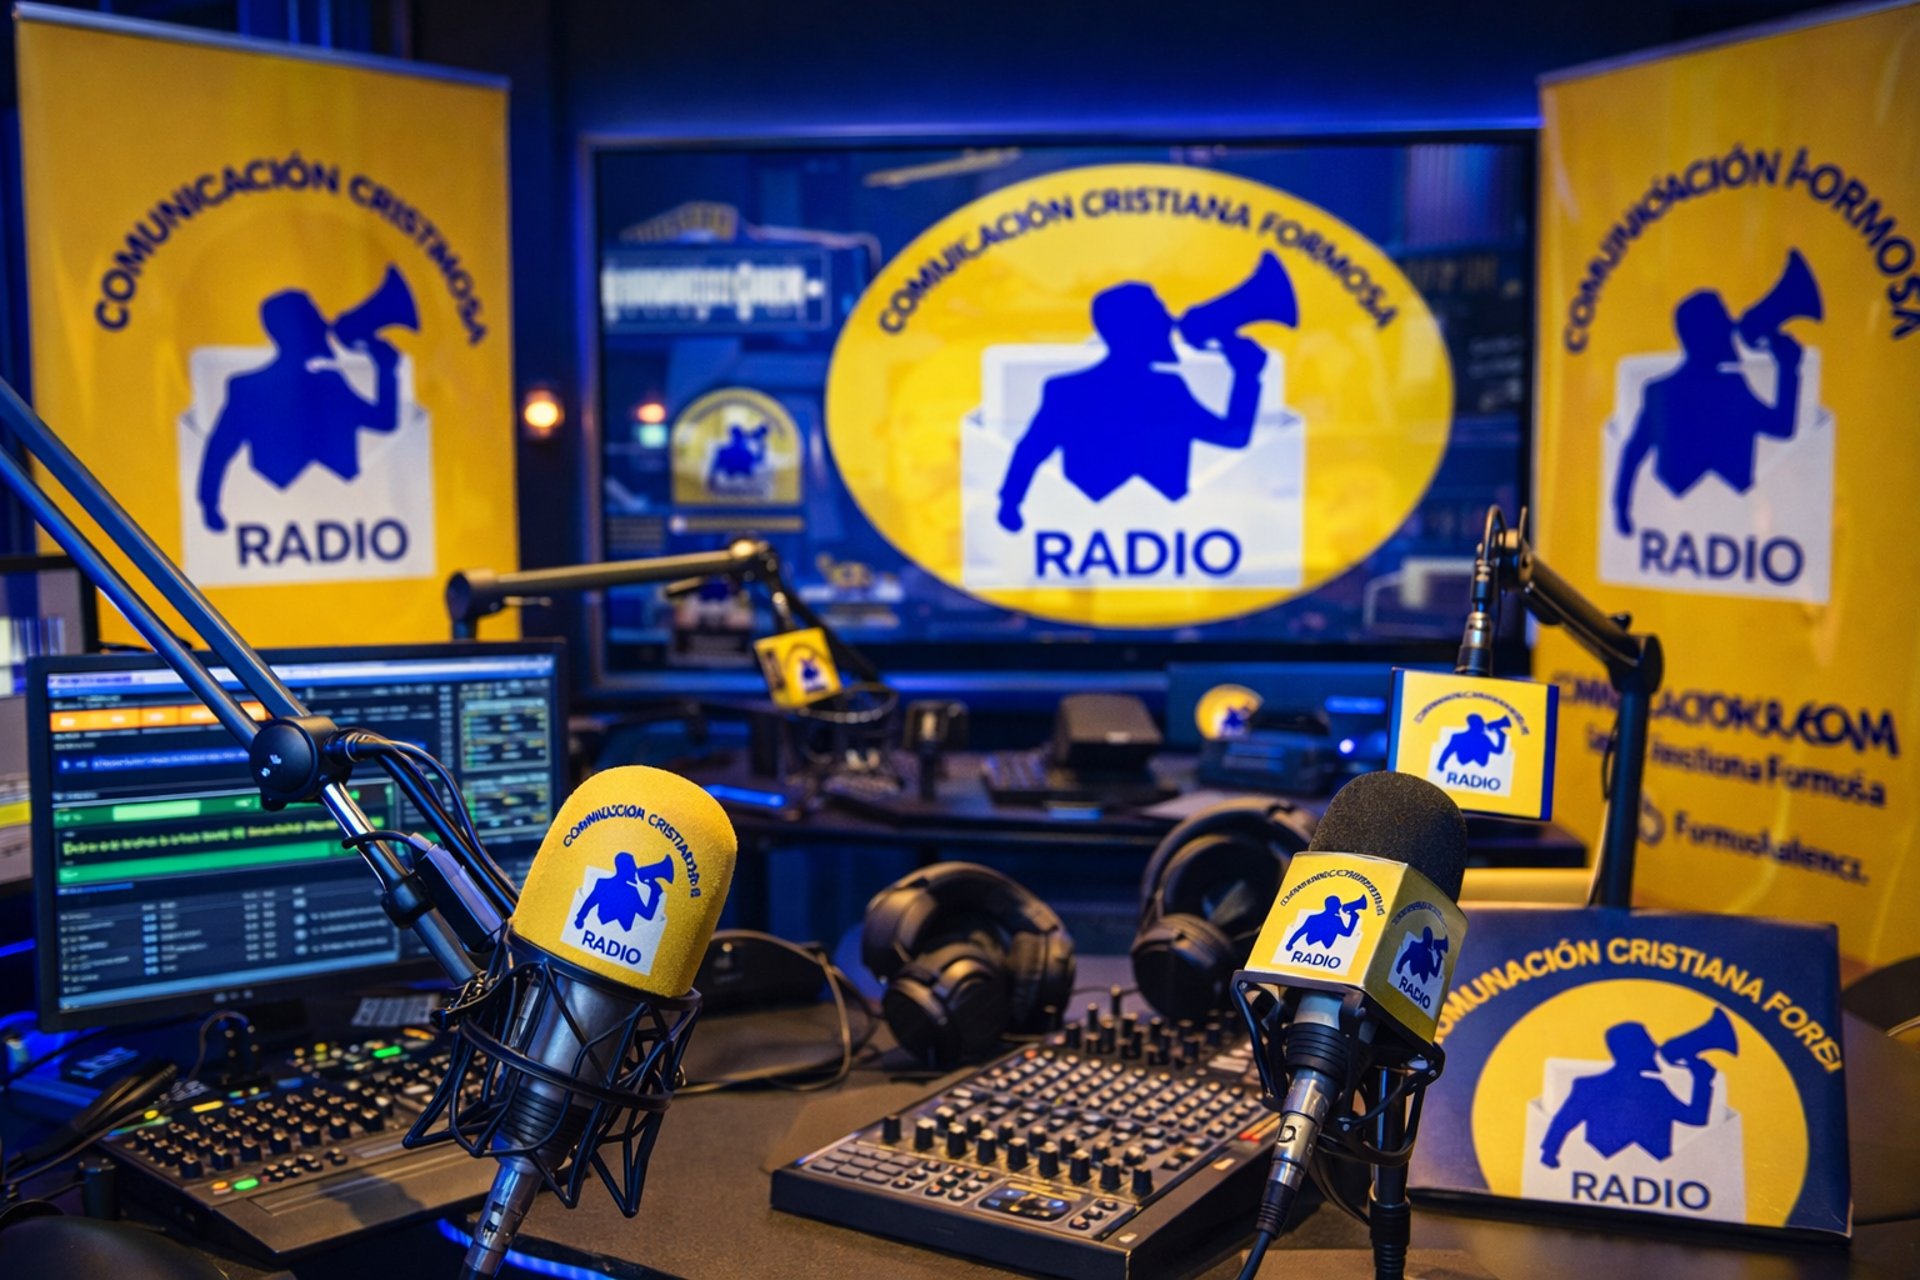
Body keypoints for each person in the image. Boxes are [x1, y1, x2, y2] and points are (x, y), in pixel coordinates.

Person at [997, 280, 1265, 533]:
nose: (1170, 323)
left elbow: (1029, 451)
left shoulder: (1068, 391)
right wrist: (1246, 377)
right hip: (1142, 531)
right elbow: (1233, 436)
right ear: (1138, 330)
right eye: (1160, 315)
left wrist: (1010, 504)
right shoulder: (1167, 390)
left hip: (1135, 532)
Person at [197, 289, 401, 534]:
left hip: (346, 511)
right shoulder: (248, 389)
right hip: (274, 516)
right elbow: (219, 449)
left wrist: (386, 371)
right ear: (295, 331)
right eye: (315, 318)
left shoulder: (331, 382)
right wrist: (209, 503)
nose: (325, 325)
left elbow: (385, 421)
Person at [1612, 289, 1802, 537]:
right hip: (1705, 524)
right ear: (1705, 335)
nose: (1731, 328)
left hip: (1723, 526)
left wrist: (1621, 508)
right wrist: (1787, 368)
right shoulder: (1729, 390)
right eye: (1724, 321)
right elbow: (1782, 426)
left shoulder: (1663, 391)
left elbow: (1632, 452)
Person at [1539, 1021, 1715, 1167]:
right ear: (1632, 1050)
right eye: (1648, 1043)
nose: (1654, 1047)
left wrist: (1702, 1081)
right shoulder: (1592, 1087)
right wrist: (1702, 1082)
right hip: (1606, 1170)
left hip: (1653, 1172)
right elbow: (1563, 1122)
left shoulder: (1653, 1088)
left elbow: (1696, 1118)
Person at [574, 851, 676, 934]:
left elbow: (589, 903)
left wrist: (580, 918)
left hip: (619, 937)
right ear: (624, 869)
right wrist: (654, 893)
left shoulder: (604, 884)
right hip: (611, 934)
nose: (635, 870)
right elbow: (648, 914)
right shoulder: (630, 892)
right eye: (633, 867)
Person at [1286, 894, 1365, 951]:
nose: (1340, 906)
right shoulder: (1335, 920)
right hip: (1312, 948)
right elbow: (1347, 933)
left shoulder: (1313, 918)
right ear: (1334, 906)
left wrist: (1290, 943)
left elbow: (1300, 932)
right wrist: (1353, 919)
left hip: (1315, 948)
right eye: (1338, 904)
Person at [1436, 713, 1509, 772]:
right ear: (1473, 725)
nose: (1483, 725)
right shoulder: (1458, 737)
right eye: (1481, 723)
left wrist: (1501, 737)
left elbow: (1498, 751)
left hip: (1481, 769)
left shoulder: (1484, 738)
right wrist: (1440, 763)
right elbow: (1448, 751)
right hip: (1461, 768)